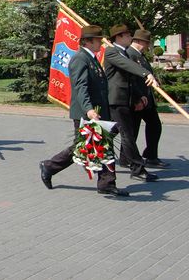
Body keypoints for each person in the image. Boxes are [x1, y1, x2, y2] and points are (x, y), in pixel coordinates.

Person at [40, 25, 129, 196]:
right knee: (84, 147)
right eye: (98, 40)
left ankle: (106, 183)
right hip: (87, 112)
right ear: (88, 42)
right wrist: (89, 109)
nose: (100, 43)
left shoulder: (91, 58)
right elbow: (80, 87)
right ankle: (49, 166)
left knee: (102, 145)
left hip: (98, 111)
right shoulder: (80, 59)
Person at [104, 24, 160, 182]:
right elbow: (127, 66)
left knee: (109, 133)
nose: (131, 38)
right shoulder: (112, 52)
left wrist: (139, 96)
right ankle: (137, 168)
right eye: (128, 35)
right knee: (127, 134)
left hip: (126, 100)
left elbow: (130, 80)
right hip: (115, 100)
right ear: (119, 37)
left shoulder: (124, 53)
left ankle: (91, 153)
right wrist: (146, 73)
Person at [126, 29, 168, 168]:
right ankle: (127, 157)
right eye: (146, 43)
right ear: (138, 41)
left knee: (155, 125)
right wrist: (137, 98)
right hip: (137, 99)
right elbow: (131, 78)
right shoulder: (129, 54)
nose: (147, 46)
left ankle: (150, 155)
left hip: (147, 99)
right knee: (132, 130)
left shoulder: (140, 55)